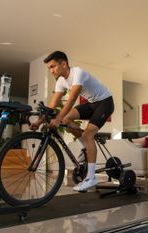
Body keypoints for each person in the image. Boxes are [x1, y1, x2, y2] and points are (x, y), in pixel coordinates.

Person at [30, 51, 114, 192]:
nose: (51, 71)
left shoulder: (77, 73)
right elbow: (51, 106)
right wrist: (39, 122)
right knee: (67, 119)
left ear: (64, 64)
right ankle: (85, 146)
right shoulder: (61, 82)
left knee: (88, 134)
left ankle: (91, 177)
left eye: (53, 66)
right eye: (49, 68)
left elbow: (71, 100)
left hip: (105, 102)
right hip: (92, 103)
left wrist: (57, 120)